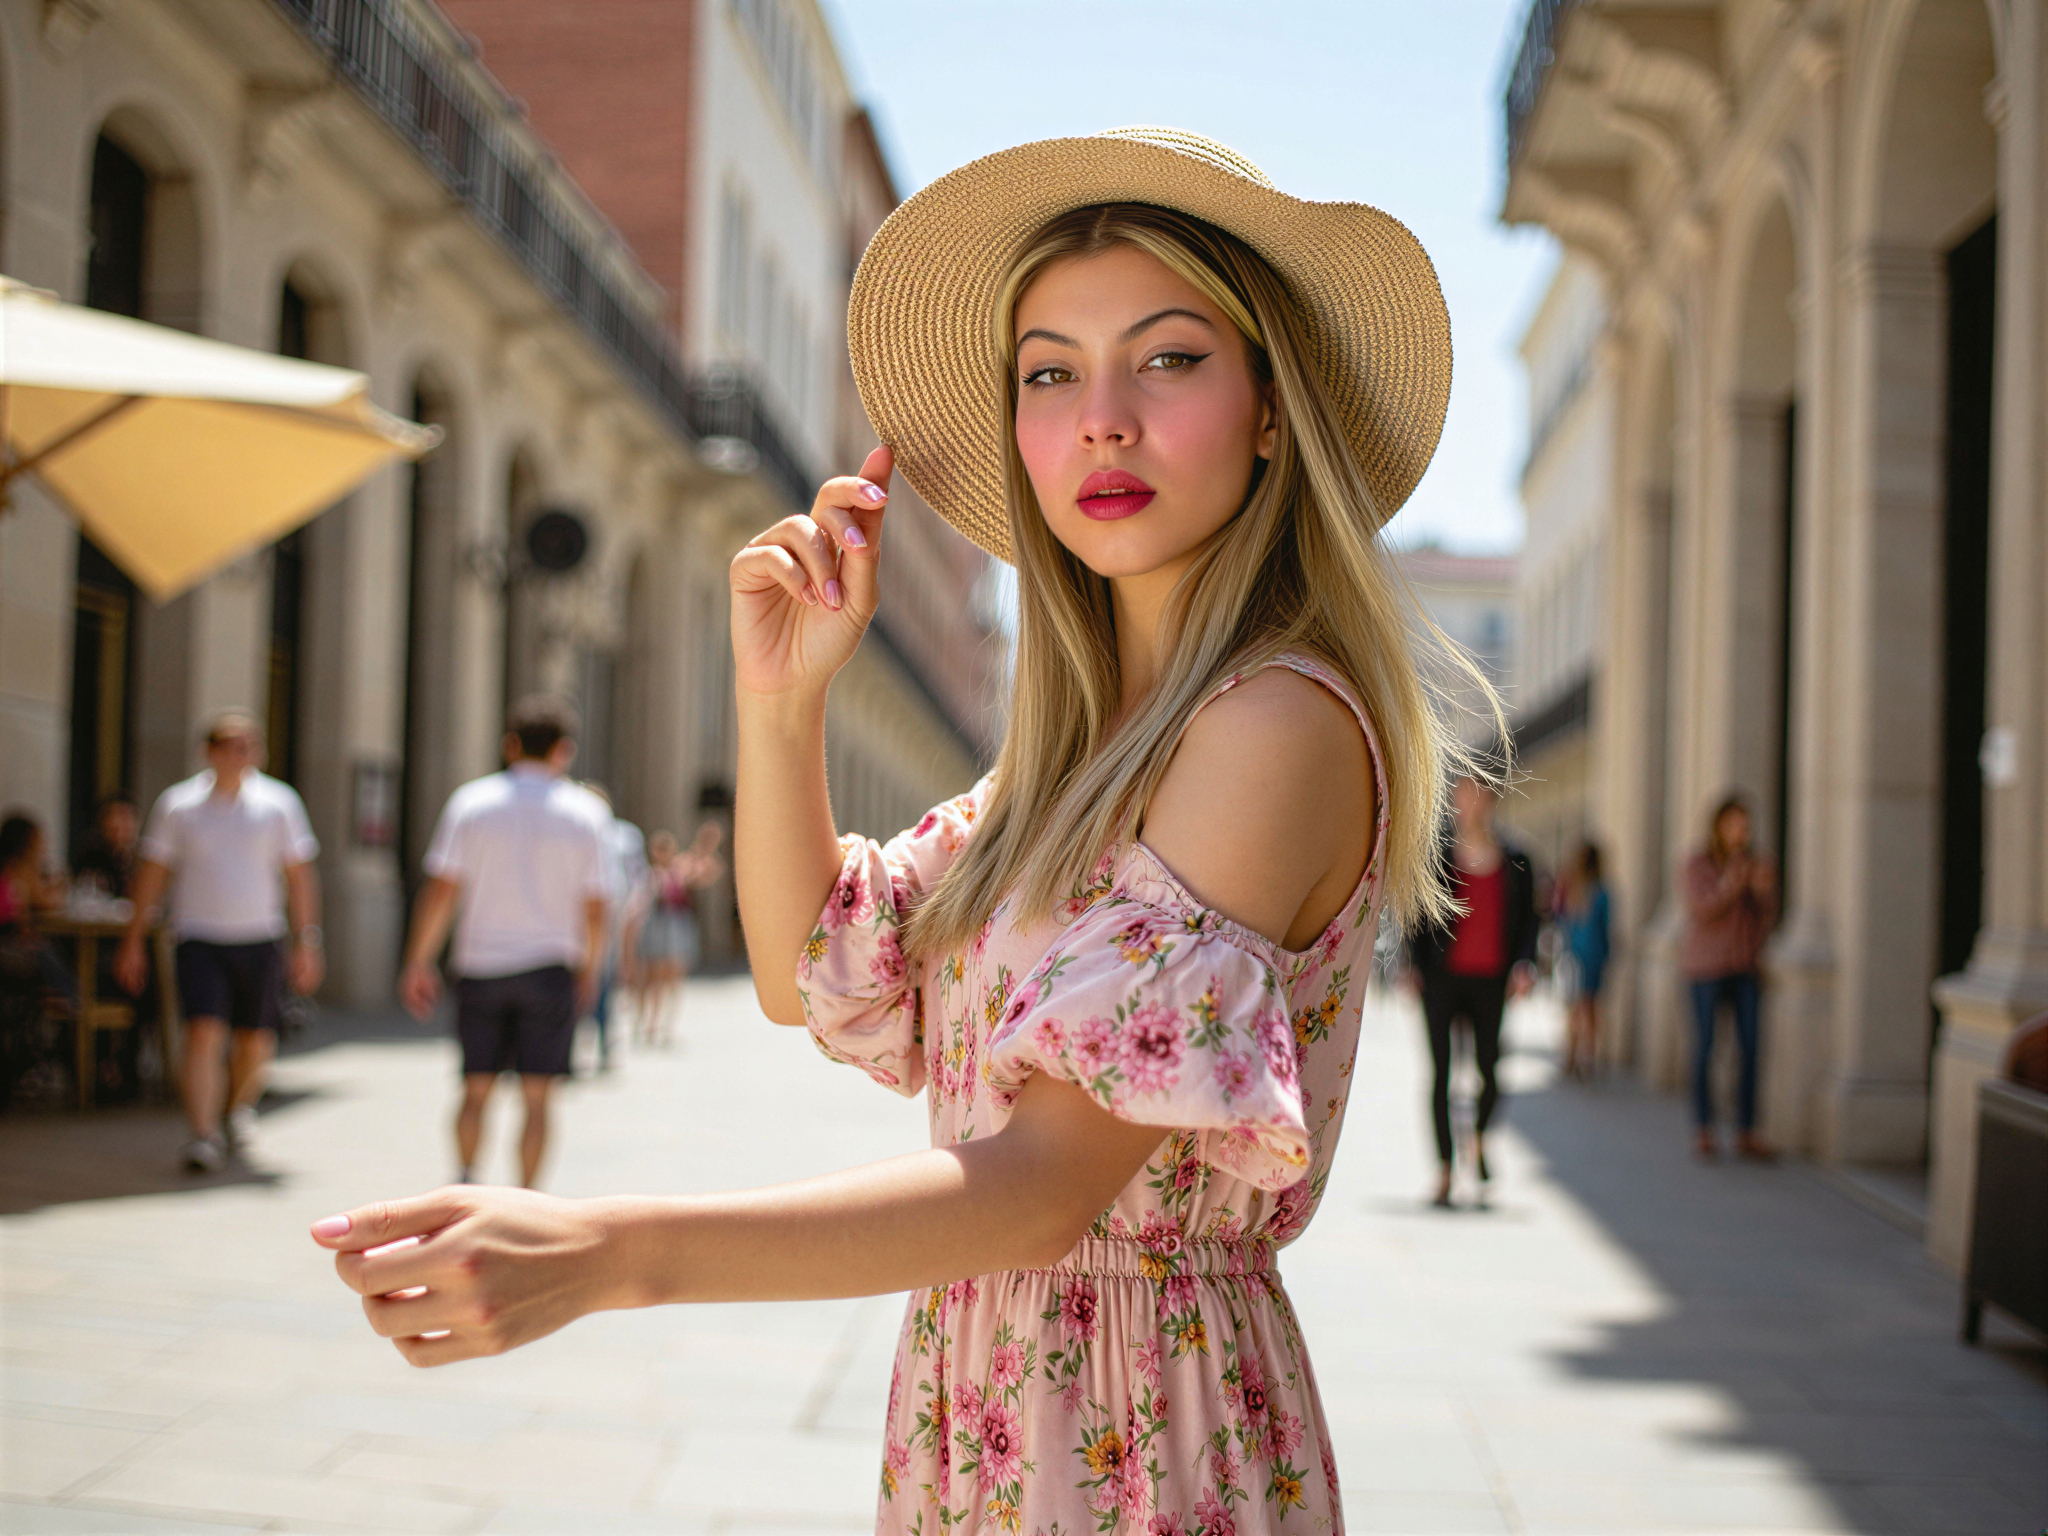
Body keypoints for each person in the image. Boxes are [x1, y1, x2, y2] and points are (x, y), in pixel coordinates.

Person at [314, 130, 1475, 1528]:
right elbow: (809, 975)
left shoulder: (1275, 723)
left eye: (1167, 358)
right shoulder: (1075, 756)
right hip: (983, 1411)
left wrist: (612, 1252)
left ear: (1272, 411)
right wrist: (782, 704)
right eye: (1050, 371)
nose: (1101, 416)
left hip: (1137, 1441)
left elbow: (1045, 1187)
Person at [398, 696, 609, 1189]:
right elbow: (596, 907)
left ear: (509, 745)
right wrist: (591, 971)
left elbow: (442, 891)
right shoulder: (586, 813)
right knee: (539, 1096)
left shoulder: (471, 803)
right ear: (566, 750)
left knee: (475, 1090)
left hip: (481, 965)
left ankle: (467, 1179)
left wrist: (418, 961)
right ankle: (527, 1199)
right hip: (550, 968)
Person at [116, 712, 322, 1172]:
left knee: (256, 1040)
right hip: (198, 938)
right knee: (203, 1032)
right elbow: (154, 873)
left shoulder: (278, 803)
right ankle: (202, 1133)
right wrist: (133, 939)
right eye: (232, 745)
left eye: (250, 745)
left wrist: (308, 941)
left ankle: (234, 1110)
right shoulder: (179, 805)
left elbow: (300, 876)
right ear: (209, 752)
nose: (242, 754)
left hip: (260, 938)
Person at [1404, 776, 1540, 1206]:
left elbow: (1531, 920)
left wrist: (1526, 964)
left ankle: (1478, 1138)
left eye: (1481, 792)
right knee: (1442, 1073)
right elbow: (1417, 911)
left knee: (1489, 1069)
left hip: (1492, 980)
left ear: (1493, 798)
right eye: (1465, 791)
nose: (1473, 801)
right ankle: (1445, 1170)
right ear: (1456, 798)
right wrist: (1411, 966)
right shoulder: (1438, 855)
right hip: (1442, 978)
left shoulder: (1517, 857)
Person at [1681, 792, 1779, 1161]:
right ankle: (1703, 1128)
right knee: (1705, 1047)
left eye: (1746, 824)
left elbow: (1766, 914)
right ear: (1720, 826)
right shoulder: (1698, 863)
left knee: (1751, 1047)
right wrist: (1733, 881)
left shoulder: (1755, 863)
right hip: (1705, 968)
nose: (1742, 831)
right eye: (1735, 823)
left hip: (1745, 968)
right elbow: (1703, 908)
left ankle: (1746, 1129)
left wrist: (1762, 889)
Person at [623, 822, 723, 1048]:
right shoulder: (648, 875)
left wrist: (706, 846)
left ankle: (663, 1024)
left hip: (673, 927)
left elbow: (707, 871)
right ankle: (646, 1023)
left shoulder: (679, 870)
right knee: (650, 977)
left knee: (671, 977)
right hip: (655, 927)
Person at [582, 783, 645, 1073]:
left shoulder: (624, 837)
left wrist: (630, 925)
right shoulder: (571, 831)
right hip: (573, 924)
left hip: (610, 921)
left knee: (604, 983)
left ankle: (605, 1041)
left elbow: (636, 885)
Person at [1558, 839, 1612, 1081]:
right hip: (1593, 954)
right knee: (1588, 1008)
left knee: (1574, 1008)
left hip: (1574, 954)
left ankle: (1572, 1057)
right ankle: (1586, 1058)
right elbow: (1605, 926)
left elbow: (1563, 920)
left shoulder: (1576, 890)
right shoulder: (1600, 892)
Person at [73, 794, 140, 899]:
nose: (116, 821)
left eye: (124, 815)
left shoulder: (144, 859)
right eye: (111, 815)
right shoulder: (90, 858)